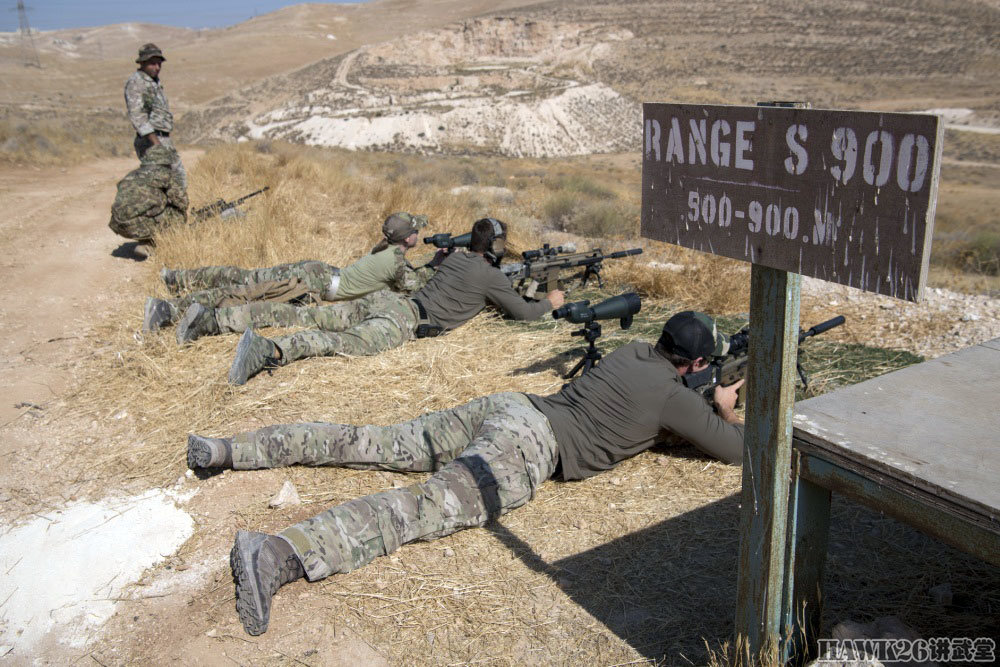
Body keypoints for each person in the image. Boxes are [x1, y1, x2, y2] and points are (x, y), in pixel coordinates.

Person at [186, 310, 746, 636]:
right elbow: (737, 451)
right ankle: (279, 552)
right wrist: (720, 405)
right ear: (696, 365)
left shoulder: (629, 352)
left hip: (511, 407)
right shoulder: (680, 399)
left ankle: (227, 449)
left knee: (373, 441)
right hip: (529, 446)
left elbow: (638, 405)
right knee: (420, 508)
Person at [224, 218, 566, 385]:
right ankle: (270, 351)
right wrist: (550, 300)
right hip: (402, 321)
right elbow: (523, 312)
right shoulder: (490, 276)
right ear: (495, 247)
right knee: (337, 342)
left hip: (386, 301)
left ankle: (223, 319)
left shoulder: (457, 258)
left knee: (312, 316)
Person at [141, 213, 435, 340]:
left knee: (244, 279)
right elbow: (415, 284)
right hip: (312, 282)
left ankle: (177, 280)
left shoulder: (385, 250)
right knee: (244, 293)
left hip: (317, 273)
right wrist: (438, 263)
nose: (418, 235)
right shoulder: (396, 261)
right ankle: (169, 309)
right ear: (406, 239)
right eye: (415, 232)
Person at [125, 43, 186, 187]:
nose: (157, 67)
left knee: (176, 180)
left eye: (159, 64)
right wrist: (156, 143)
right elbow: (137, 115)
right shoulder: (137, 83)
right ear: (142, 63)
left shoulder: (154, 82)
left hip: (161, 138)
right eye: (153, 64)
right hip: (151, 141)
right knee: (167, 182)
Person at [109, 144, 188, 243]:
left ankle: (146, 241)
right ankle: (158, 243)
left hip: (118, 225)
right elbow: (182, 202)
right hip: (139, 227)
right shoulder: (166, 174)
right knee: (179, 214)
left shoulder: (131, 174)